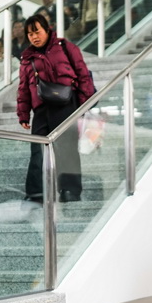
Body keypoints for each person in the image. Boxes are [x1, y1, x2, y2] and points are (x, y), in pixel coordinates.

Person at [17, 13, 96, 203]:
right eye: (30, 34)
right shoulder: (27, 59)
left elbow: (83, 74)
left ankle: (70, 191)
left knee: (67, 148)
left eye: (37, 31)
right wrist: (23, 114)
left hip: (66, 105)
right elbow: (23, 88)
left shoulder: (65, 47)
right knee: (37, 150)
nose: (34, 37)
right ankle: (36, 192)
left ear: (47, 29)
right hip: (41, 110)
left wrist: (84, 102)